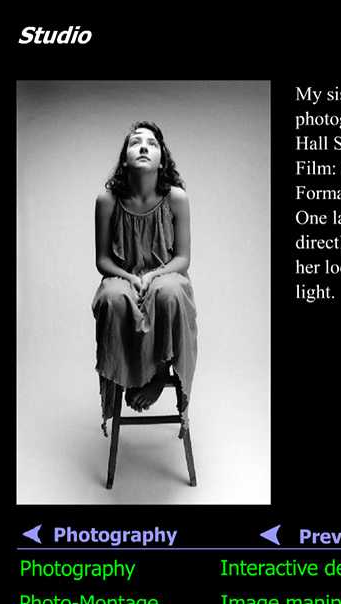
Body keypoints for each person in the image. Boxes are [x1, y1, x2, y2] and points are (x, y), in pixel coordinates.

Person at [92, 121, 197, 437]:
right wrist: (129, 277)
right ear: (124, 158)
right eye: (135, 142)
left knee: (169, 291)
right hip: (123, 276)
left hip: (165, 274)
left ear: (162, 159)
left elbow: (182, 259)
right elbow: (102, 261)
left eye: (151, 144)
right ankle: (127, 374)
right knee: (112, 296)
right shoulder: (107, 200)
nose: (142, 147)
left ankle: (158, 373)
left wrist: (152, 275)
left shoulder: (176, 198)